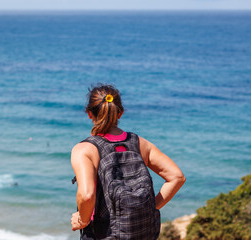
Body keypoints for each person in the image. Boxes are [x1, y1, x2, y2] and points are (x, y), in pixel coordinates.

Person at [71, 84, 186, 239]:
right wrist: (149, 208)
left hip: (103, 234)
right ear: (120, 113)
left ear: (89, 113)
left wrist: (82, 220)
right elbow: (176, 177)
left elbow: (86, 196)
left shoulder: (84, 149)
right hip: (141, 232)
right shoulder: (140, 143)